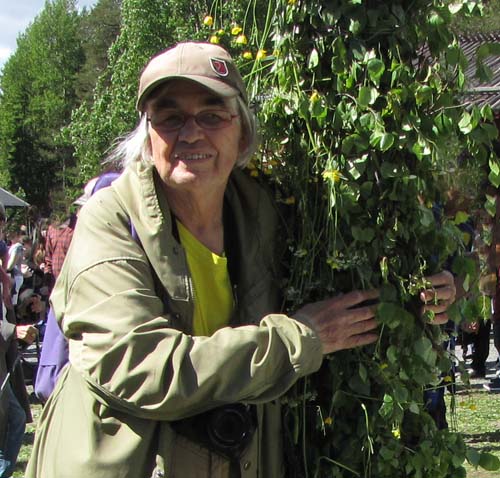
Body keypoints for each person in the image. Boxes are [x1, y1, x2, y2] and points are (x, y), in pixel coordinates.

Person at [26, 42, 456, 478]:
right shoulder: (111, 219)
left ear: (243, 132)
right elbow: (139, 366)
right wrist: (301, 339)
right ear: (148, 135)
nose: (190, 134)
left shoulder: (266, 215)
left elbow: (350, 283)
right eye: (170, 118)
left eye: (212, 116)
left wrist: (418, 292)